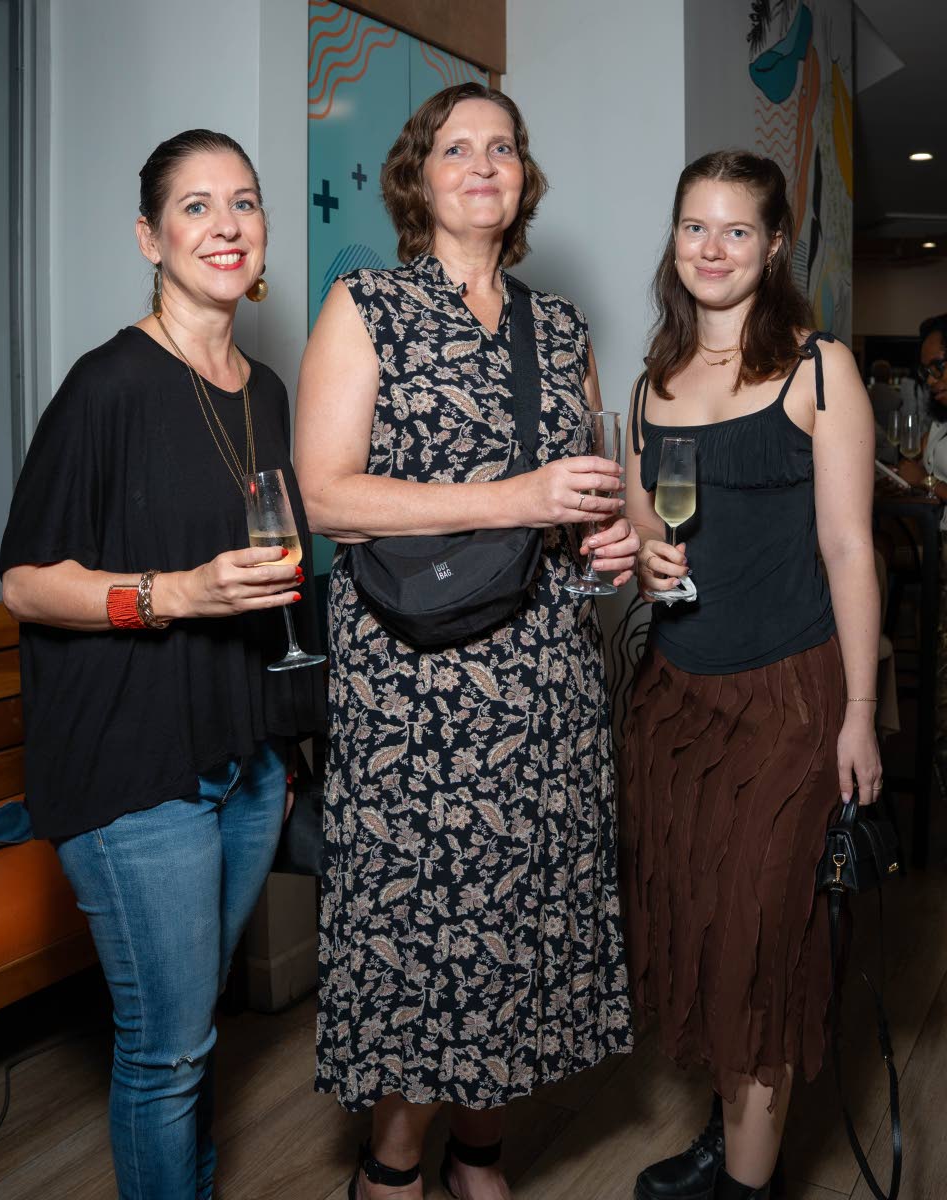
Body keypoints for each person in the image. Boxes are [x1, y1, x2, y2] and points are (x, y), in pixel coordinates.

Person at [297, 82, 637, 1200]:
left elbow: (581, 504)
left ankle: (478, 1154)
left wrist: (610, 545)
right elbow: (330, 500)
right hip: (416, 691)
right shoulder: (367, 304)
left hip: (544, 679)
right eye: (457, 147)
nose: (483, 163)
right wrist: (517, 494)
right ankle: (392, 1166)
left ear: (522, 177)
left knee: (526, 925)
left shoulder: (562, 327)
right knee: (425, 935)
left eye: (504, 146)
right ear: (420, 176)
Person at [0, 129, 324, 1200]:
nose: (225, 225)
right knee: (168, 1046)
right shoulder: (109, 385)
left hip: (240, 762)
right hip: (134, 764)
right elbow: (27, 582)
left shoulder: (267, 390)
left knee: (192, 1032)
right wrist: (172, 593)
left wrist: (284, 751)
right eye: (194, 206)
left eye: (243, 202)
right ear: (150, 235)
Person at [621, 150, 881, 1200]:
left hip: (789, 702)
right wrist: (644, 552)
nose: (712, 249)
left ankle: (746, 1185)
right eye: (695, 227)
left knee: (759, 941)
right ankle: (732, 1137)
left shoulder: (822, 371)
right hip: (677, 700)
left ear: (774, 246)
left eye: (737, 230)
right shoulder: (656, 378)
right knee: (695, 919)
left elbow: (851, 551)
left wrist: (858, 715)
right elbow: (648, 520)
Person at [895, 312, 947, 742]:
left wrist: (926, 482)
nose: (932, 379)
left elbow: (928, 478)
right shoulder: (940, 420)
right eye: (927, 370)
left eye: (940, 366)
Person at [868, 358, 900, 464]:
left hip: (871, 446)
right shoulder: (896, 397)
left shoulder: (867, 395)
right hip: (889, 448)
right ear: (889, 375)